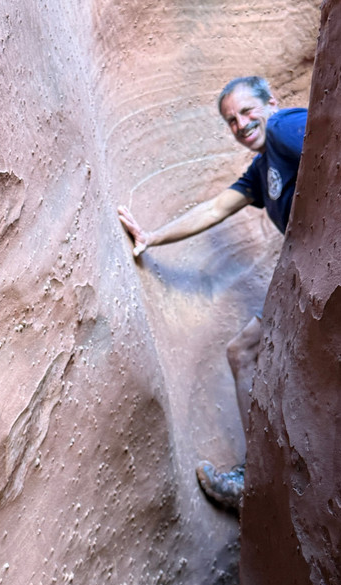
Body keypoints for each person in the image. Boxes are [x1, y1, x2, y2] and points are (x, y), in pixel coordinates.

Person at [117, 76, 306, 512]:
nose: (240, 125)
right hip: (304, 279)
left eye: (246, 112)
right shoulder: (263, 170)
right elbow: (217, 208)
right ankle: (257, 473)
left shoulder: (282, 127)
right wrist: (152, 237)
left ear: (271, 103)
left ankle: (257, 477)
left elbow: (334, 142)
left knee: (245, 353)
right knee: (243, 352)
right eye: (231, 120)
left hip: (326, 264)